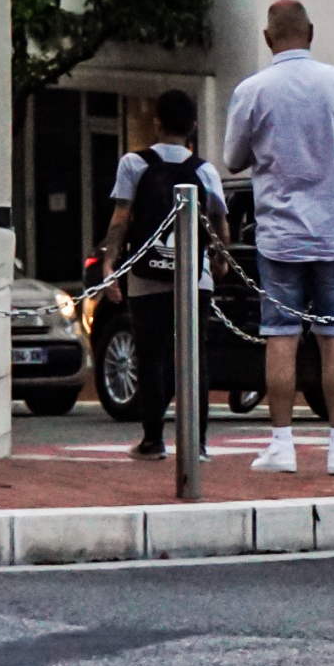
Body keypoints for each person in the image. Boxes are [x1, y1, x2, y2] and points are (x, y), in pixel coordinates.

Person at [222, 0, 334, 476]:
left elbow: (233, 158)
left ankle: (281, 444)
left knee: (281, 337)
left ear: (268, 38)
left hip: (279, 233)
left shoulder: (252, 90)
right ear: (311, 32)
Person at [97, 89, 229, 461]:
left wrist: (109, 267)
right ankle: (198, 443)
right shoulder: (204, 170)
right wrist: (219, 259)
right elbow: (220, 224)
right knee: (194, 355)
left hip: (145, 275)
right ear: (193, 127)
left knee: (150, 354)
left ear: (156, 122)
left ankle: (153, 440)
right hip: (195, 276)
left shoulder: (133, 164)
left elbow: (121, 219)